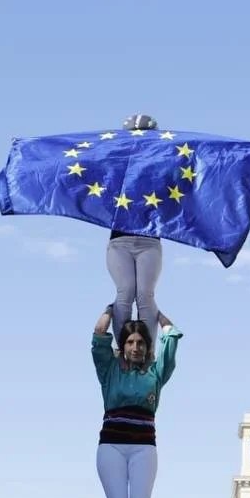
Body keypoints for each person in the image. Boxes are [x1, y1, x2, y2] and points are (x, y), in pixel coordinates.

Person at [91, 308, 181, 498]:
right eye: (130, 342)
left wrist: (157, 315)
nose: (135, 347)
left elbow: (172, 338)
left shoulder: (155, 373)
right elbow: (99, 334)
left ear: (147, 346)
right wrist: (112, 309)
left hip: (144, 448)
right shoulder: (110, 371)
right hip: (111, 446)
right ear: (123, 345)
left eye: (141, 342)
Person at [105, 113, 163, 342]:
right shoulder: (114, 164)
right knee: (126, 291)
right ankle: (122, 349)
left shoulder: (159, 165)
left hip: (149, 240)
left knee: (145, 295)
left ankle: (147, 351)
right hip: (120, 242)